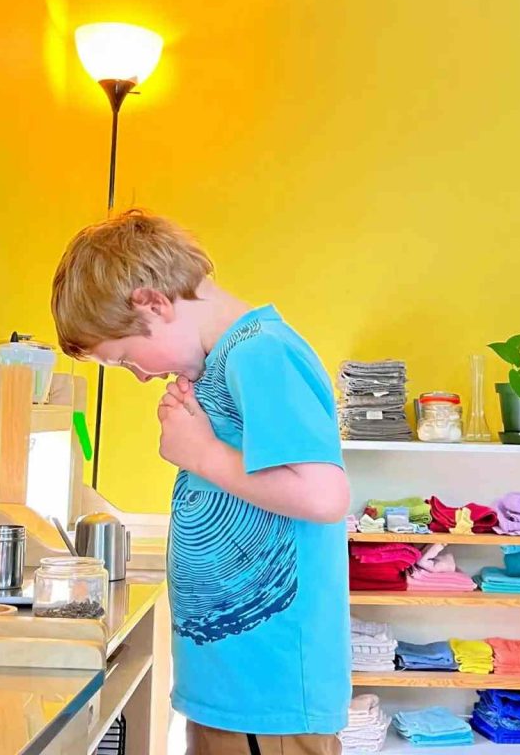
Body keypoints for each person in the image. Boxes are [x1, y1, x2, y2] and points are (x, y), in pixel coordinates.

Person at [51, 209, 351, 755]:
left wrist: (203, 454)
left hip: (267, 694)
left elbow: (325, 495)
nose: (142, 375)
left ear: (152, 303)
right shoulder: (223, 362)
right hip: (232, 687)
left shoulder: (261, 351)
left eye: (125, 359)